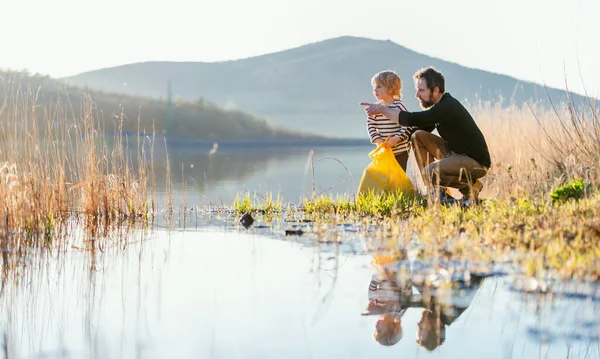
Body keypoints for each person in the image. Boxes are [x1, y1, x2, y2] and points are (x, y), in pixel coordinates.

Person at [360, 67, 491, 206]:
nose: (416, 94)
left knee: (430, 172)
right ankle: (435, 193)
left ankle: (471, 187)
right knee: (418, 136)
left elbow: (413, 119)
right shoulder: (438, 109)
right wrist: (394, 138)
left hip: (475, 162)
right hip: (456, 155)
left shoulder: (447, 106)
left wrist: (381, 109)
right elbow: (416, 129)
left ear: (435, 90)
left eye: (421, 90)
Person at [366, 70, 413, 172]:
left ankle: (400, 188)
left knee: (398, 175)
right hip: (384, 150)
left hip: (401, 151)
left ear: (390, 89)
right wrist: (378, 140)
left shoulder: (398, 106)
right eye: (374, 87)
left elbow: (408, 125)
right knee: (385, 177)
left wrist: (397, 138)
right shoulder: (376, 107)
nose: (375, 90)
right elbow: (370, 125)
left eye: (379, 87)